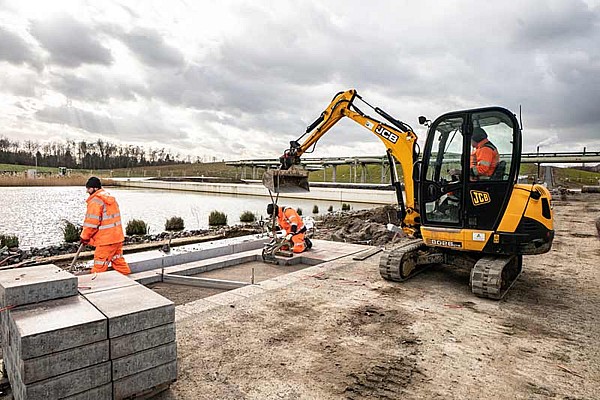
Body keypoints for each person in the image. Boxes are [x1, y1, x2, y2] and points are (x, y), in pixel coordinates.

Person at [80, 177, 131, 275]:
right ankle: (128, 278)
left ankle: (96, 285)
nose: (87, 191)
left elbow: (91, 223)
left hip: (106, 241)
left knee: (99, 264)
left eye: (88, 188)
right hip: (117, 238)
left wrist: (84, 237)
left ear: (95, 188)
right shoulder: (110, 198)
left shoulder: (95, 201)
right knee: (118, 261)